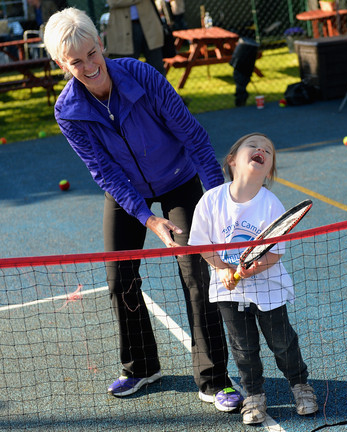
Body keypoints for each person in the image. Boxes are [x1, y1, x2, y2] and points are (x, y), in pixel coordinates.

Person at [43, 8, 243, 412]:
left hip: (178, 178)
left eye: (91, 54)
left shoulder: (144, 76)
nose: (88, 66)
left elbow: (196, 140)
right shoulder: (67, 110)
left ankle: (214, 378)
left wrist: (218, 203)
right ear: (61, 65)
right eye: (75, 62)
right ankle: (141, 366)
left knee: (195, 269)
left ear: (101, 43)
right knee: (120, 276)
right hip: (126, 189)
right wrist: (147, 218)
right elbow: (103, 170)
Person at [188, 133, 318, 425]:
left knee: (283, 342)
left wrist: (254, 267)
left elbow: (275, 253)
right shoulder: (211, 201)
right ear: (232, 161)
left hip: (268, 289)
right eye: (254, 146)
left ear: (268, 170)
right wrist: (221, 269)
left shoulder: (271, 204)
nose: (262, 149)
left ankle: (300, 385)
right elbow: (202, 246)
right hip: (228, 292)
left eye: (268, 151)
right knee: (243, 347)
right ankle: (254, 395)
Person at [104, 0, 165, 75]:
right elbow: (113, 2)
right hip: (124, 30)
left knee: (157, 66)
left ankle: (160, 86)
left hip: (150, 26)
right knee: (129, 69)